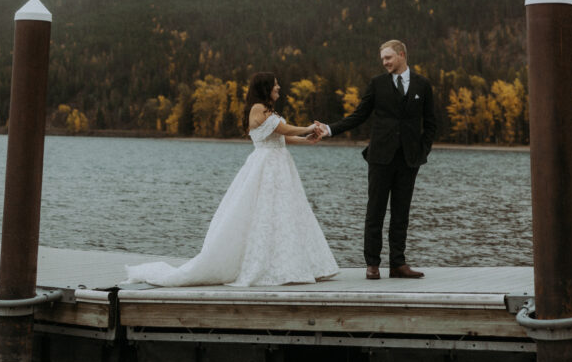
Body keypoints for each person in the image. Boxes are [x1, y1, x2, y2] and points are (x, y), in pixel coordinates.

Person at [122, 73, 338, 287]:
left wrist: (306, 139)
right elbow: (282, 128)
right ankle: (268, 265)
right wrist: (309, 127)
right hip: (266, 166)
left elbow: (282, 137)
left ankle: (290, 264)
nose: (279, 88)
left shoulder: (267, 110)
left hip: (279, 166)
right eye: (275, 85)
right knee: (263, 212)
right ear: (265, 89)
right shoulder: (257, 108)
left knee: (283, 212)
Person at [316, 39, 436, 280]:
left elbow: (431, 123)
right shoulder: (377, 84)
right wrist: (330, 129)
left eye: (388, 58)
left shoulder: (422, 85)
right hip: (380, 157)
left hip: (409, 159)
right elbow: (359, 115)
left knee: (401, 213)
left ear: (402, 55)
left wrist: (423, 151)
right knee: (375, 211)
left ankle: (398, 264)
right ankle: (372, 264)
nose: (385, 62)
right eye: (383, 59)